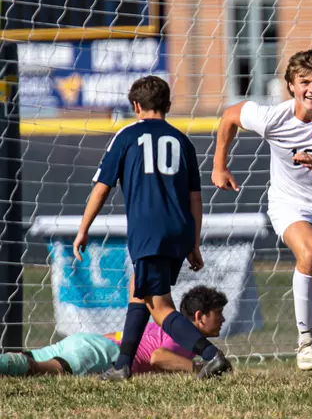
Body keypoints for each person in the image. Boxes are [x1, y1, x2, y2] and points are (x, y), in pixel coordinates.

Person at [213, 49, 312, 387]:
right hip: (289, 205)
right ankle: (305, 341)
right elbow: (229, 116)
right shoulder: (273, 117)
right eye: (305, 82)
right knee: (309, 251)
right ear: (291, 87)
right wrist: (219, 166)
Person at [73, 76, 231, 380]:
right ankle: (123, 364)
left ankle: (211, 355)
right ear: (168, 105)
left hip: (149, 233)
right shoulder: (183, 140)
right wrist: (193, 242)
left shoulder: (126, 136)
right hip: (179, 230)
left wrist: (84, 229)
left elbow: (102, 188)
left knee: (159, 305)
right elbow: (195, 198)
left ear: (135, 106)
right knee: (140, 291)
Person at [0, 286, 227, 377]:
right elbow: (158, 357)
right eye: (218, 313)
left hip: (88, 342)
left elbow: (117, 336)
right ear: (200, 316)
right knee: (38, 369)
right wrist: (198, 367)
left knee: (25, 358)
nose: (223, 319)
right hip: (102, 354)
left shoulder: (159, 326)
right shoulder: (184, 337)